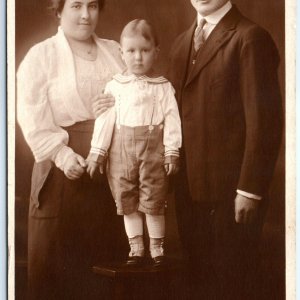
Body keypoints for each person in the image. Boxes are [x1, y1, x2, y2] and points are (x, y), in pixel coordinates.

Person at [167, 0, 283, 299]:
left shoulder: (249, 37)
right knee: (198, 283)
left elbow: (265, 121)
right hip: (188, 192)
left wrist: (250, 189)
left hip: (231, 196)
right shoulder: (181, 43)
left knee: (231, 286)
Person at [17, 0, 127, 298]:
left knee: (106, 269)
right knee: (60, 272)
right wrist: (63, 156)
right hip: (61, 170)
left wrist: (115, 106)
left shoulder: (117, 51)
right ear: (59, 10)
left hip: (110, 168)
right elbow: (31, 116)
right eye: (76, 5)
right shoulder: (41, 56)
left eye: (92, 6)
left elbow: (141, 96)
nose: (85, 15)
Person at [86, 19, 182, 266]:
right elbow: (105, 121)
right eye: (131, 51)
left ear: (156, 52)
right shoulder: (115, 86)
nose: (138, 57)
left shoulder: (162, 88)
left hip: (153, 154)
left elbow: (172, 121)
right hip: (121, 152)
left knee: (154, 200)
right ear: (121, 53)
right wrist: (97, 152)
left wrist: (172, 151)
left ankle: (157, 248)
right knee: (127, 199)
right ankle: (136, 248)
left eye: (144, 50)